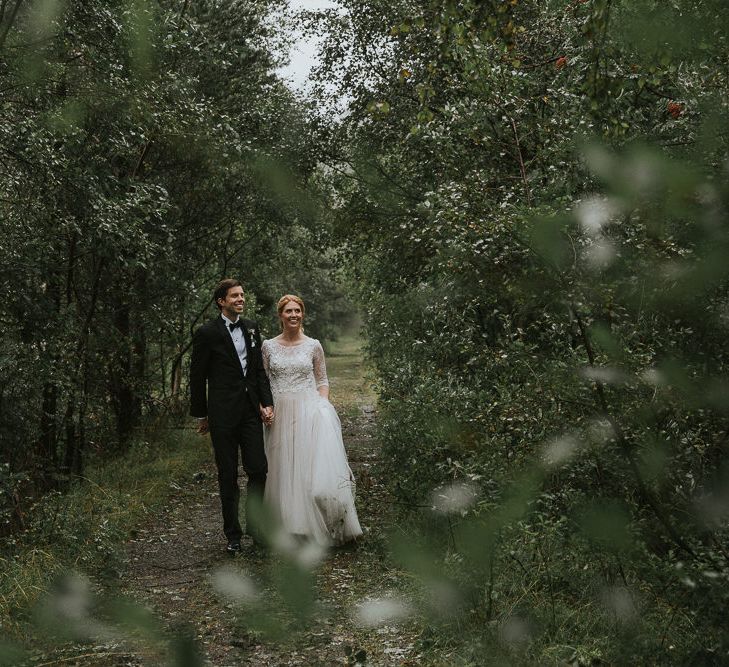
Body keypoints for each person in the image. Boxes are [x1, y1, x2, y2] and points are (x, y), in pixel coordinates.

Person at [262, 294, 362, 547]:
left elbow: (322, 380)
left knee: (308, 468)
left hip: (309, 410)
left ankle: (314, 525)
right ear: (280, 315)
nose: (293, 315)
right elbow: (262, 382)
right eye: (288, 311)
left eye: (297, 311)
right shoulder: (268, 346)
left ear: (302, 314)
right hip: (280, 413)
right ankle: (287, 527)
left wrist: (322, 404)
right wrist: (264, 408)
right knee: (282, 467)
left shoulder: (313, 345)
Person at [189, 278, 274, 554]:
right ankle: (232, 535)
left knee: (258, 469)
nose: (241, 299)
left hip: (250, 411)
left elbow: (258, 371)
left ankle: (256, 527)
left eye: (242, 295)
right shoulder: (206, 333)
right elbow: (197, 375)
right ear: (221, 301)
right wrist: (201, 414)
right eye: (235, 296)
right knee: (227, 474)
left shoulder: (251, 327)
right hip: (222, 414)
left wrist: (266, 402)